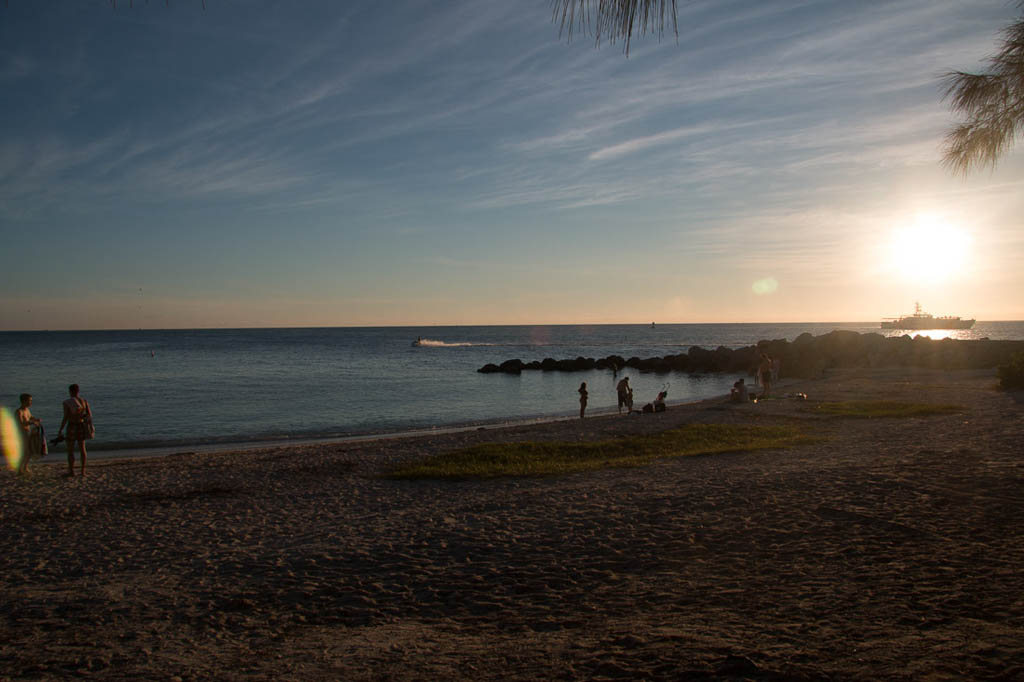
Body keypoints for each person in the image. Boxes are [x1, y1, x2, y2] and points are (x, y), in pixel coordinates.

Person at [58, 384, 93, 477]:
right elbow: (89, 416)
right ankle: (83, 471)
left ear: (70, 391)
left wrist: (60, 429)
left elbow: (65, 417)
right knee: (82, 448)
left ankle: (71, 471)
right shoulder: (84, 401)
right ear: (78, 391)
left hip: (72, 425)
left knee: (70, 450)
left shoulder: (67, 402)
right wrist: (91, 426)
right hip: (81, 425)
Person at [15, 393, 46, 475]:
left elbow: (30, 417)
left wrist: (36, 419)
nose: (31, 402)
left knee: (29, 452)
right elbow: (21, 423)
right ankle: (19, 469)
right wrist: (32, 422)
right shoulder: (19, 411)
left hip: (27, 432)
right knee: (25, 452)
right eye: (29, 401)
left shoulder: (27, 410)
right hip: (21, 433)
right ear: (24, 401)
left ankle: (24, 468)